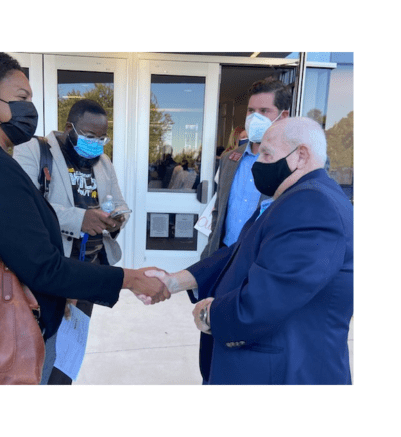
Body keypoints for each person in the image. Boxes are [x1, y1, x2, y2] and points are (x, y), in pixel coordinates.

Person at [0, 52, 168, 383]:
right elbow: (44, 267)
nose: (31, 110)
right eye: (22, 98)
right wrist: (129, 278)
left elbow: (14, 246)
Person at [148, 117, 353, 384]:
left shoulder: (313, 206)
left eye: (267, 154)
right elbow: (240, 251)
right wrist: (174, 281)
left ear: (301, 156)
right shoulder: (292, 198)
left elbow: (268, 299)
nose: (258, 163)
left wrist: (211, 314)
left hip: (282, 373)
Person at [13, 98, 130, 384]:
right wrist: (80, 219)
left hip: (87, 269)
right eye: (90, 136)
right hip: (49, 270)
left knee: (70, 349)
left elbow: (120, 203)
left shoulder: (103, 162)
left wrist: (117, 219)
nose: (97, 143)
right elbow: (25, 209)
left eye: (102, 137)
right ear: (70, 128)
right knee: (39, 347)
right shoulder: (33, 151)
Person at [201, 77, 291, 260]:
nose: (254, 117)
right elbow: (219, 212)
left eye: (264, 111)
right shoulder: (230, 159)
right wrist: (210, 253)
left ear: (283, 116)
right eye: (251, 110)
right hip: (225, 252)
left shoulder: (293, 163)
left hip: (262, 258)